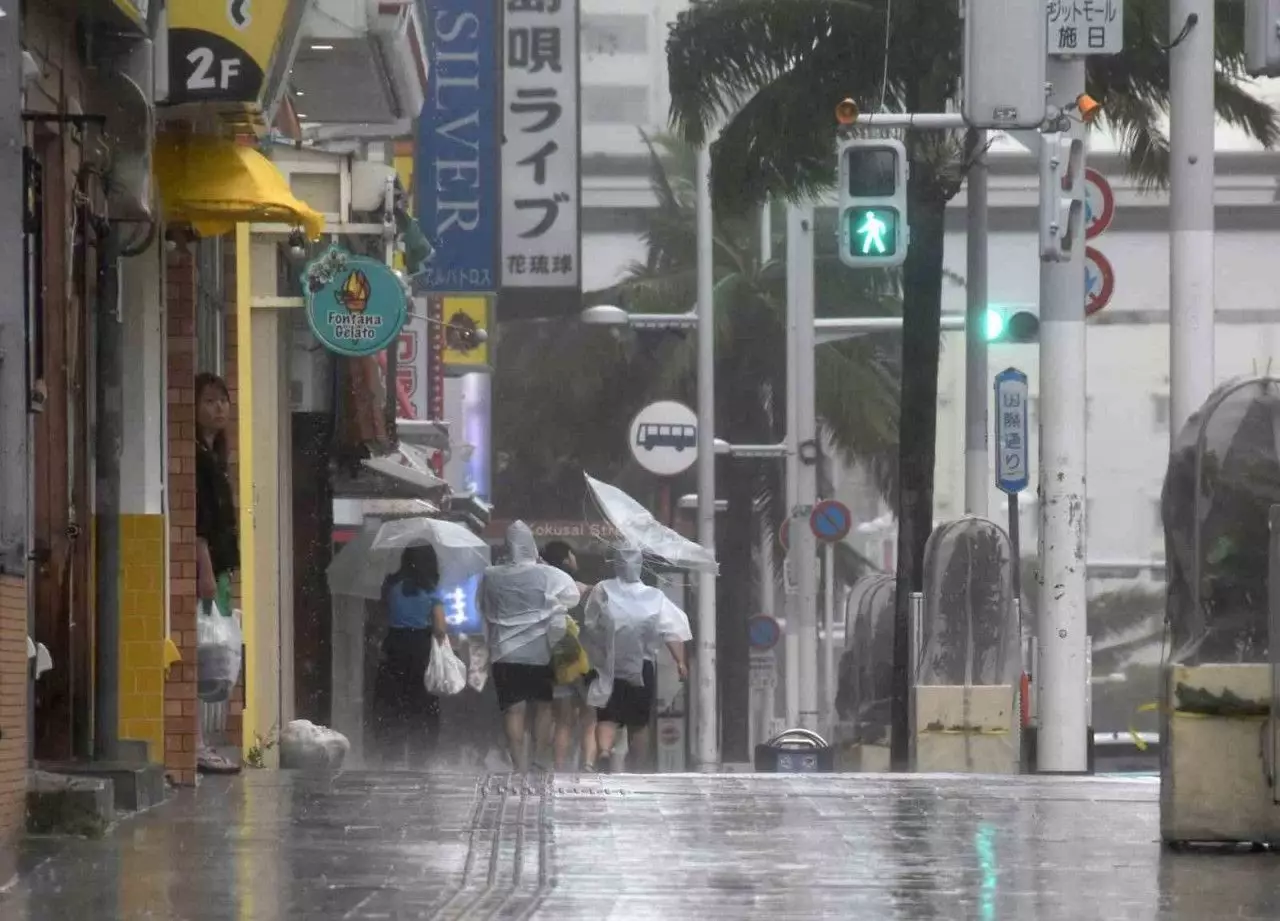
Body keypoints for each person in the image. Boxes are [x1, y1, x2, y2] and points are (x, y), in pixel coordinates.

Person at [480, 522, 580, 772]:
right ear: (531, 546)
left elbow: (483, 605)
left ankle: (519, 766)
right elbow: (572, 596)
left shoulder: (491, 575)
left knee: (514, 712)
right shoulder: (547, 574)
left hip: (504, 653)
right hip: (539, 653)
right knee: (543, 707)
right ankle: (538, 760)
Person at [582, 547, 691, 773]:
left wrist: (600, 645)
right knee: (638, 722)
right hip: (642, 668)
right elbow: (671, 631)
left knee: (607, 714)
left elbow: (590, 623)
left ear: (616, 564)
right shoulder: (654, 596)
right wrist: (680, 661)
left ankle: (603, 750)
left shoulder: (603, 589)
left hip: (609, 666)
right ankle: (638, 767)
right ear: (640, 565)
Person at [195, 373, 241, 775]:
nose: (219, 408)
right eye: (209, 401)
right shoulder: (196, 459)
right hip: (206, 572)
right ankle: (193, 743)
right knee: (200, 653)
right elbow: (200, 524)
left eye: (223, 401)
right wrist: (206, 572)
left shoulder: (214, 456)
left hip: (220, 569)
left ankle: (200, 741)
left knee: (213, 654)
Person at [372, 544, 449, 766]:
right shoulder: (431, 589)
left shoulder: (390, 584)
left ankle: (392, 753)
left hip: (394, 646)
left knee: (393, 700)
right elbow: (441, 628)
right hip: (421, 649)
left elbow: (381, 615)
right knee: (422, 702)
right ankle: (420, 755)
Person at [542, 541, 597, 770]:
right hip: (587, 664)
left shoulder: (544, 588)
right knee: (590, 718)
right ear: (566, 560)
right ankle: (587, 764)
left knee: (563, 721)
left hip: (559, 661)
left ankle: (559, 766)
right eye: (572, 555)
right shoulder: (584, 590)